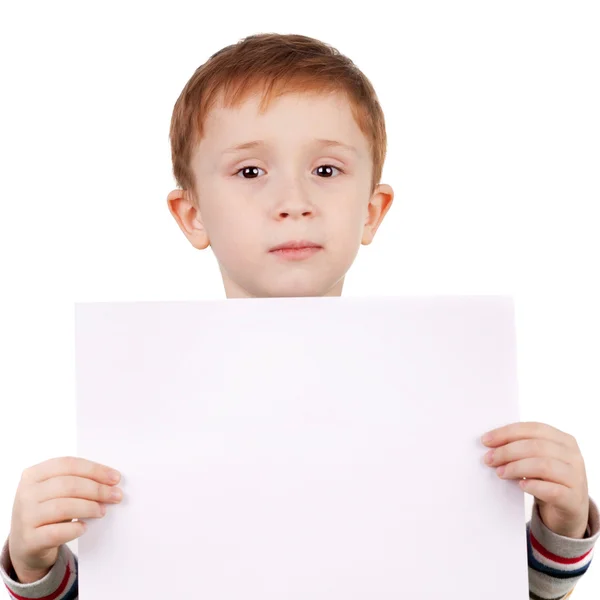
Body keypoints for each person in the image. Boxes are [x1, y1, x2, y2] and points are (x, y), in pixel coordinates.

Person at [1, 33, 597, 600]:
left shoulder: (444, 401)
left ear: (372, 210)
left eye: (327, 170)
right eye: (250, 171)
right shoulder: (140, 415)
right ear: (192, 215)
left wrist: (561, 523)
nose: (294, 203)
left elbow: (483, 585)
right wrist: (35, 563)